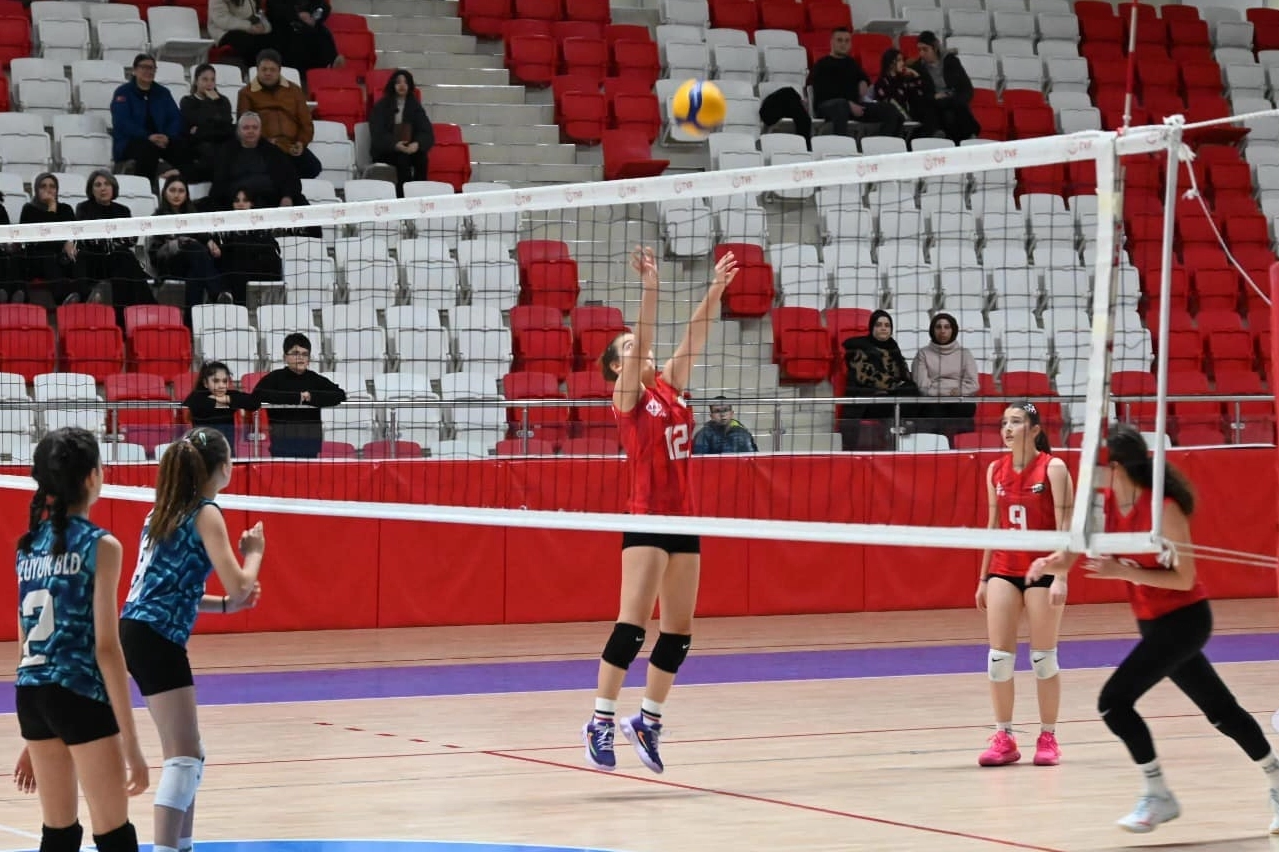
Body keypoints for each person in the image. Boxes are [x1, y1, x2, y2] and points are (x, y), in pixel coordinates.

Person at [1029, 424, 1279, 835]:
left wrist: (1121, 572)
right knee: (1221, 711)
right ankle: (1277, 777)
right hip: (1153, 624)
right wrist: (1047, 563)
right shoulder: (1103, 504)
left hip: (1185, 619)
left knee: (1114, 702)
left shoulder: (1164, 509)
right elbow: (1072, 551)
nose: (1091, 471)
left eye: (1098, 463)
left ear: (1117, 466)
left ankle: (1158, 793)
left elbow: (1184, 579)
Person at [582, 247, 738, 775]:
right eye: (628, 348)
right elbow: (645, 339)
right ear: (616, 367)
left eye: (638, 347)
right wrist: (650, 286)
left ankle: (647, 720)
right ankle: (600, 719)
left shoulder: (670, 388)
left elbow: (694, 336)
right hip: (646, 519)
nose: (640, 351)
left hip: (683, 520)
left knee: (678, 632)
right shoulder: (625, 397)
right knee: (632, 628)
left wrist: (715, 289)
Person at [119, 427, 264, 852]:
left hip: (138, 630)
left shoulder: (162, 511)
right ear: (223, 467)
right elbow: (241, 585)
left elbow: (174, 590)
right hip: (156, 636)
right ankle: (167, 848)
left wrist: (226, 606)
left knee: (190, 753)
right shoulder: (205, 512)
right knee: (183, 758)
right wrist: (254, 552)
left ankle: (182, 845)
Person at [13, 427, 147, 852]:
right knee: (114, 835)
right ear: (92, 477)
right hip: (78, 692)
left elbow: (26, 643)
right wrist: (131, 743)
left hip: (32, 695)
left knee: (59, 833)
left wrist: (36, 735)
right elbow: (106, 647)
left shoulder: (27, 546)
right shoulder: (100, 545)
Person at [975, 402, 1072, 768]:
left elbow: (1066, 528)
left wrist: (1061, 575)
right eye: (1004, 422)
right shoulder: (995, 469)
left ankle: (1048, 737)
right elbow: (993, 525)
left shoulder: (1053, 468)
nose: (1007, 428)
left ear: (1034, 429)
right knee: (999, 660)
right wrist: (983, 578)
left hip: (1043, 570)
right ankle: (1004, 737)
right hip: (1004, 569)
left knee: (1043, 659)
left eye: (1016, 422)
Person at [74, 170, 156, 323]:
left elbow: (131, 239)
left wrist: (112, 240)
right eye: (98, 185)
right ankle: (148, 308)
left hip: (117, 260)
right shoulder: (84, 208)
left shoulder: (123, 210)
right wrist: (114, 241)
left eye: (107, 184)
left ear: (113, 187)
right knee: (125, 258)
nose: (103, 188)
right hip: (94, 260)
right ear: (91, 190)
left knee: (122, 262)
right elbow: (87, 238)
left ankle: (122, 318)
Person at [147, 176, 230, 320]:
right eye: (172, 190)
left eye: (181, 191)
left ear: (186, 194)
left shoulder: (193, 215)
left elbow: (202, 235)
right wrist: (178, 243)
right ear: (165, 193)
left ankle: (190, 323)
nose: (176, 195)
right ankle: (217, 292)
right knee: (194, 248)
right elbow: (155, 255)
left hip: (193, 265)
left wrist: (209, 241)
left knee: (196, 274)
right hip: (169, 266)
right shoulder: (157, 217)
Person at [251, 333, 346, 458]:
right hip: (282, 444)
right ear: (285, 357)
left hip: (310, 445)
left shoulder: (315, 378)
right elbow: (257, 395)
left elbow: (340, 394)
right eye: (295, 353)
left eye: (305, 354)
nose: (301, 357)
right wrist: (297, 397)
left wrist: (311, 397)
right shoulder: (275, 377)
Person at [839, 310, 918, 451]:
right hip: (868, 401)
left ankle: (912, 444)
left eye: (887, 325)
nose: (883, 328)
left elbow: (905, 374)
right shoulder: (858, 347)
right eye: (879, 325)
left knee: (915, 392)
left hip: (892, 398)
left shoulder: (893, 348)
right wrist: (896, 385)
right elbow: (867, 376)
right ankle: (893, 441)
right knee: (906, 394)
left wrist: (904, 385)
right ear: (872, 327)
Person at [236, 49, 321, 180]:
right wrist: (265, 142)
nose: (268, 73)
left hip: (291, 145)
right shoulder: (246, 93)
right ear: (257, 70)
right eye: (264, 69)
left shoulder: (294, 90)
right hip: (265, 147)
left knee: (313, 167)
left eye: (272, 70)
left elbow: (306, 123)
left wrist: (301, 142)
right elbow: (244, 126)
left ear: (279, 71)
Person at [811, 27, 904, 138]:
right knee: (841, 106)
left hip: (854, 106)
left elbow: (863, 78)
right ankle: (841, 146)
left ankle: (881, 143)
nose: (843, 44)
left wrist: (863, 82)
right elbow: (822, 93)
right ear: (832, 42)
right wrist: (848, 104)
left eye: (847, 41)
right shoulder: (821, 65)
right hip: (829, 106)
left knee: (891, 110)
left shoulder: (852, 63)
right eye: (839, 40)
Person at [110, 54, 185, 184]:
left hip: (161, 141)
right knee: (148, 149)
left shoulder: (163, 93)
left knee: (184, 148)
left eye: (151, 68)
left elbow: (175, 118)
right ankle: (145, 187)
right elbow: (122, 122)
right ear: (134, 70)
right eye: (144, 67)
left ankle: (177, 187)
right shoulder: (123, 92)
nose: (148, 71)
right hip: (131, 142)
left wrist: (168, 137)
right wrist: (148, 136)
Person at [209, 112, 306, 210]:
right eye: (246, 128)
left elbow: (291, 178)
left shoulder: (273, 151)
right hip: (236, 201)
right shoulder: (227, 152)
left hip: (271, 201)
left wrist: (287, 196)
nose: (251, 131)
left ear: (260, 130)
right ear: (238, 131)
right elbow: (219, 183)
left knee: (300, 202)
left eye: (255, 128)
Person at [911, 312, 978, 439]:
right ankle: (934, 446)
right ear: (932, 330)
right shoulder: (923, 354)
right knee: (932, 410)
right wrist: (948, 392)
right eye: (938, 327)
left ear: (953, 330)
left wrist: (958, 392)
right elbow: (922, 387)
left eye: (947, 327)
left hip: (958, 398)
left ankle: (962, 445)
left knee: (965, 407)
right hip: (933, 400)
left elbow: (973, 384)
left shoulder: (965, 353)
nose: (942, 331)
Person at [367, 70, 434, 194]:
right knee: (402, 159)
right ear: (392, 85)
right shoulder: (381, 106)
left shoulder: (415, 106)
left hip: (409, 148)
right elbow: (377, 133)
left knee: (422, 158)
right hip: (387, 150)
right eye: (398, 82)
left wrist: (417, 144)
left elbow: (426, 131)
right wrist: (395, 145)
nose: (402, 85)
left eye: (405, 82)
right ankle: (402, 196)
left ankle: (419, 194)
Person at [214, 187, 283, 304]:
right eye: (237, 201)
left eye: (245, 200)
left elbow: (275, 249)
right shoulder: (223, 226)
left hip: (258, 272)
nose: (241, 204)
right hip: (234, 273)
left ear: (252, 203)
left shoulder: (262, 227)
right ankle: (228, 295)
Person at [20, 173, 79, 306]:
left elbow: (74, 232)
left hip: (63, 256)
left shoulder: (66, 209)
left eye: (52, 186)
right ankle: (63, 299)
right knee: (48, 255)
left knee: (80, 256)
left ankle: (86, 296)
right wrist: (51, 206)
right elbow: (45, 236)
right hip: (37, 258)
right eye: (43, 186)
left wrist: (69, 242)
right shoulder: (29, 209)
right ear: (36, 189)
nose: (48, 190)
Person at [911, 31, 980, 143]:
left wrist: (953, 97)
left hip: (952, 100)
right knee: (937, 110)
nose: (922, 54)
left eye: (925, 49)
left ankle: (968, 137)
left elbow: (966, 88)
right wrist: (935, 97)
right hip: (933, 103)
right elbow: (918, 95)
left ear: (935, 48)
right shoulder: (917, 68)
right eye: (919, 50)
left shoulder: (951, 61)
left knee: (957, 108)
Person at [182, 361, 260, 452]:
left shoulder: (230, 395)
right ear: (205, 383)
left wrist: (226, 399)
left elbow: (255, 403)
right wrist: (217, 401)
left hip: (226, 450)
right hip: (202, 450)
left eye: (224, 381)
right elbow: (193, 403)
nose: (221, 386)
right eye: (216, 381)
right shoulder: (196, 397)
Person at [179, 64, 236, 184]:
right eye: (205, 79)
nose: (209, 83)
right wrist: (209, 102)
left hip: (220, 144)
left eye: (212, 80)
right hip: (198, 147)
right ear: (196, 81)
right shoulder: (187, 101)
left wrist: (201, 130)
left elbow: (227, 129)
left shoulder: (223, 101)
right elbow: (193, 128)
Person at [265, 0, 342, 74]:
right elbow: (274, 8)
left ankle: (331, 63)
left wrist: (313, 18)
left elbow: (325, 7)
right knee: (296, 38)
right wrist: (298, 16)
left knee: (323, 32)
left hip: (307, 24)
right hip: (284, 25)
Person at [873, 48, 927, 137]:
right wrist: (905, 116)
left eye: (902, 60)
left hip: (909, 115)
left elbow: (919, 90)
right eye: (899, 60)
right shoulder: (881, 83)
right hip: (894, 118)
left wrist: (915, 74)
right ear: (891, 63)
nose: (903, 63)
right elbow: (890, 101)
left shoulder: (903, 80)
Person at [207, 0, 273, 69]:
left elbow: (257, 14)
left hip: (248, 29)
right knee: (248, 42)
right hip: (224, 31)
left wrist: (264, 27)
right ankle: (250, 71)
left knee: (270, 40)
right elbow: (222, 19)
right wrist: (249, 26)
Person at [692, 396, 757, 454]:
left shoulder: (743, 433)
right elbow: (698, 460)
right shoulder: (703, 435)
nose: (722, 414)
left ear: (731, 413)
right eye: (717, 411)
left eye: (725, 410)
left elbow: (753, 458)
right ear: (711, 416)